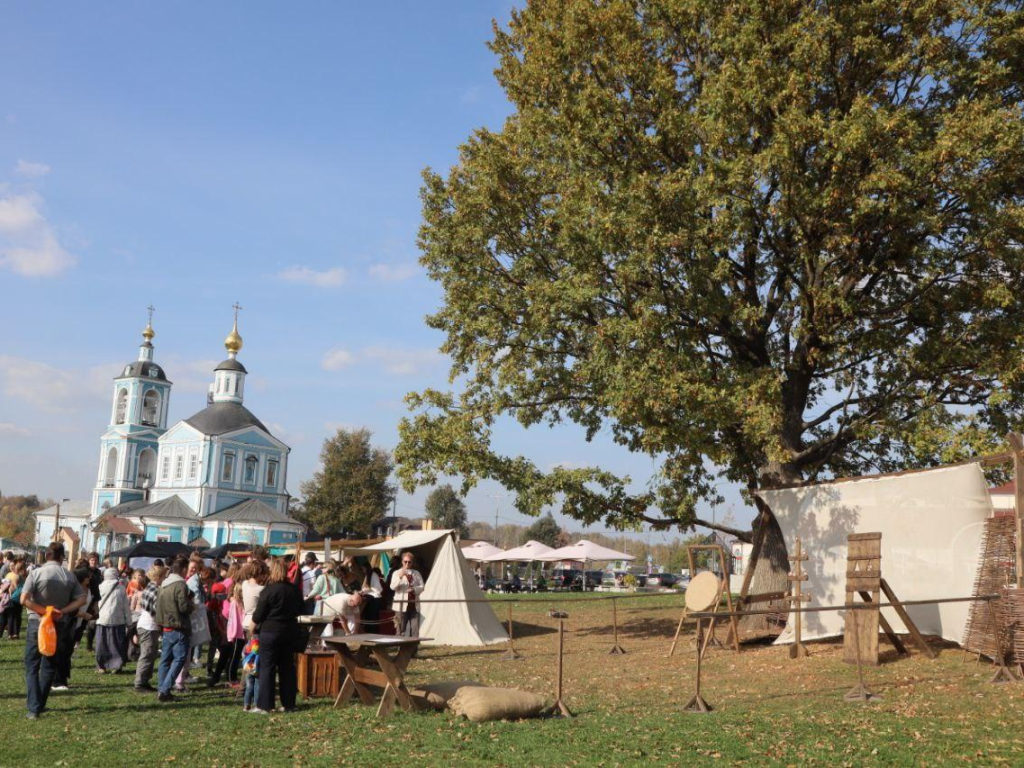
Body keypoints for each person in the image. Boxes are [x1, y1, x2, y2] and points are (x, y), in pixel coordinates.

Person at [20, 542, 88, 719]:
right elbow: (81, 599)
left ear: (46, 556)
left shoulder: (36, 573)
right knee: (49, 665)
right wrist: (61, 611)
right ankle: (38, 705)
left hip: (38, 622)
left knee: (32, 664)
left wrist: (44, 611)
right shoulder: (69, 576)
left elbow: (24, 599)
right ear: (61, 557)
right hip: (59, 624)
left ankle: (34, 707)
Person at [251, 559, 301, 714]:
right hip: (289, 631)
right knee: (287, 668)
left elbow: (258, 616)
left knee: (267, 668)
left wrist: (251, 630)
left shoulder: (268, 590)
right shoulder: (294, 590)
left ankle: (265, 705)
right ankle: (289, 704)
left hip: (270, 632)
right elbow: (301, 609)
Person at [154, 556, 194, 703]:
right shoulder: (181, 585)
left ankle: (161, 688)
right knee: (179, 659)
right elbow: (184, 607)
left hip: (166, 626)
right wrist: (192, 605)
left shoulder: (164, 584)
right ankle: (165, 690)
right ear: (183, 569)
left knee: (165, 659)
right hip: (178, 626)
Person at [134, 565, 165, 693]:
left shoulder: (149, 587)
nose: (165, 578)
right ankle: (140, 683)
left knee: (150, 654)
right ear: (158, 577)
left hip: (146, 624)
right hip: (149, 626)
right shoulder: (156, 590)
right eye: (163, 576)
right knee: (147, 655)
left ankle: (144, 681)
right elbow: (156, 609)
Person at [209, 582, 246, 687]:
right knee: (231, 657)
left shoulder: (238, 603)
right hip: (233, 635)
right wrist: (231, 634)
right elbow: (232, 620)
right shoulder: (234, 603)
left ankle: (216, 678)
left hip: (232, 634)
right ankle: (231, 678)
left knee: (227, 656)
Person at [95, 567, 131, 673]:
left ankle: (101, 666)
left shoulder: (100, 587)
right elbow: (126, 607)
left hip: (102, 619)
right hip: (118, 620)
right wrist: (129, 621)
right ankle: (117, 665)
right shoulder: (121, 587)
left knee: (102, 643)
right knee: (117, 643)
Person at [389, 552, 424, 637]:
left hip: (414, 606)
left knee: (415, 630)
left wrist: (414, 589)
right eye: (405, 561)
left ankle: (412, 649)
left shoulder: (416, 573)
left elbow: (422, 586)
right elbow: (392, 587)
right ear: (402, 562)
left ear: (412, 562)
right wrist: (400, 577)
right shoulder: (396, 573)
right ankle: (400, 648)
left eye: (409, 562)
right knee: (400, 630)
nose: (407, 564)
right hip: (401, 606)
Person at [242, 560, 269, 634]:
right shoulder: (261, 589)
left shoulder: (244, 584)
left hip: (246, 620)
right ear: (259, 573)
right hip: (256, 622)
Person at [240, 634, 260, 712]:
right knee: (257, 686)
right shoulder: (259, 644)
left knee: (249, 686)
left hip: (248, 667)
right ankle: (256, 704)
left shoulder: (247, 645)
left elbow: (243, 655)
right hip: (257, 667)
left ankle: (246, 705)